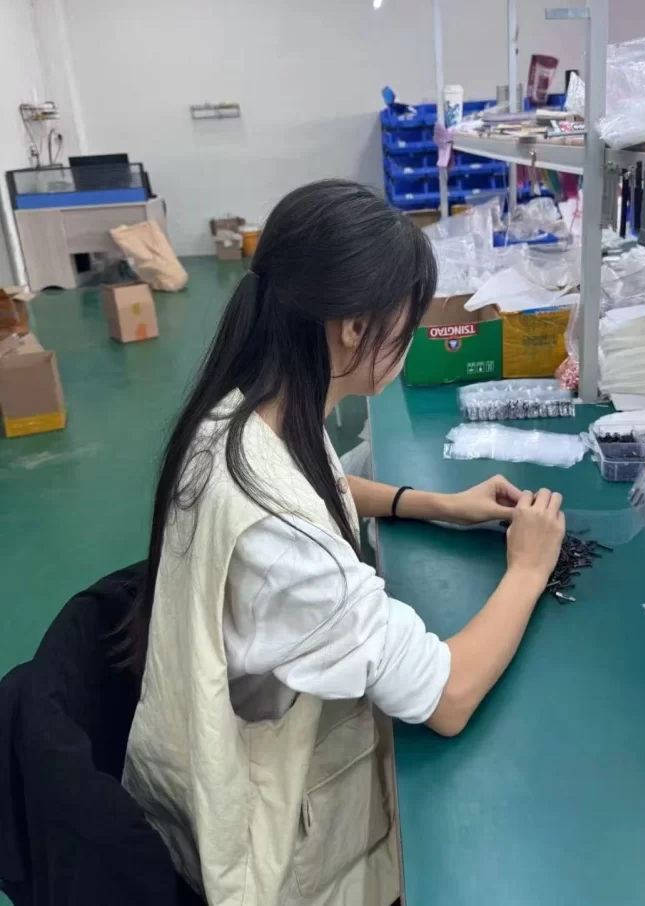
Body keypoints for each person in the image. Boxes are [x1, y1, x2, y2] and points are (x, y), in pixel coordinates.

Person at [120, 179, 565, 906]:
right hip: (269, 847)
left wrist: (436, 504)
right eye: (408, 321)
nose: (412, 337)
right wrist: (528, 567)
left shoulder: (243, 412)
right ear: (355, 327)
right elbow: (449, 696)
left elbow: (313, 481)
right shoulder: (281, 539)